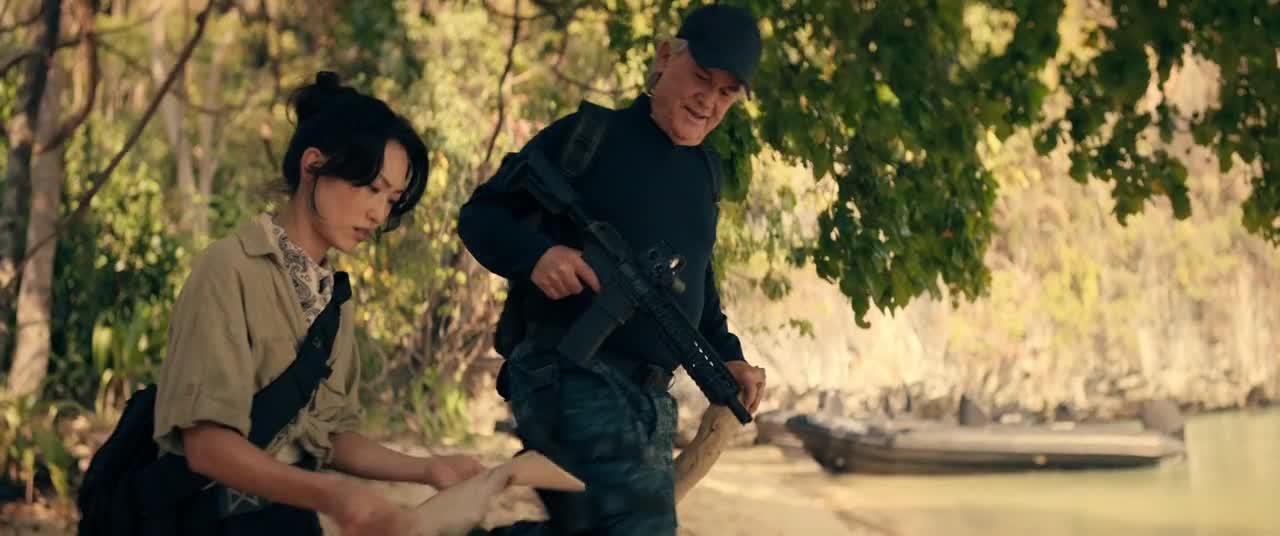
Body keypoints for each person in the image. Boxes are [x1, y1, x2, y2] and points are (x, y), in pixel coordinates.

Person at [457, 5, 769, 535]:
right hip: (567, 374)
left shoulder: (705, 175)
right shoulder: (587, 137)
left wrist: (729, 357)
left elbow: (697, 289)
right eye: (701, 78)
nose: (709, 100)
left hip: (651, 403)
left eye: (726, 93)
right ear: (665, 57)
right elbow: (480, 216)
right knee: (641, 529)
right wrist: (537, 256)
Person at [151, 71, 488, 536]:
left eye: (392, 199)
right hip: (212, 523)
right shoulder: (228, 269)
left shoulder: (334, 297)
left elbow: (329, 436)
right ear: (313, 166)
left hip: (291, 519)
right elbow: (207, 446)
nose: (379, 214)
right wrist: (332, 494)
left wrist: (428, 469)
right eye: (371, 188)